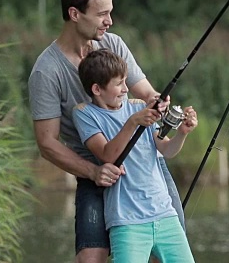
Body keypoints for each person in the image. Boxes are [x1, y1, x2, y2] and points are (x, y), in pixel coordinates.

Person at [28, 0, 186, 262]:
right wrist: (92, 172)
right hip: (94, 170)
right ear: (75, 14)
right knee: (91, 257)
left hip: (143, 166)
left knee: (167, 247)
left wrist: (158, 103)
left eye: (110, 12)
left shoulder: (113, 44)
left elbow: (147, 92)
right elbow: (47, 143)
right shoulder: (46, 71)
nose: (109, 21)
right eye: (102, 14)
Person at [73, 49, 197, 262]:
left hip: (165, 214)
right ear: (97, 89)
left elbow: (166, 149)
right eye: (119, 83)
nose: (126, 88)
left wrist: (182, 134)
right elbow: (107, 155)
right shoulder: (85, 113)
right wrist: (132, 122)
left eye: (126, 81)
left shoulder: (138, 107)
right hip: (127, 222)